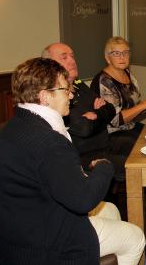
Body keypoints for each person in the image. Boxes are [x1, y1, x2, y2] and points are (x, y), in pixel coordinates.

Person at [0, 58, 145, 265]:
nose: (71, 95)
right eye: (65, 89)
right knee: (135, 237)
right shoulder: (48, 141)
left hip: (17, 231)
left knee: (110, 209)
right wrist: (104, 166)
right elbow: (83, 200)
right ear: (44, 96)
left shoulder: (17, 125)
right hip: (42, 249)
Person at [42, 43, 128, 181]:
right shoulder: (53, 96)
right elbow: (84, 128)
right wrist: (98, 115)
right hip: (83, 156)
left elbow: (110, 109)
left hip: (104, 143)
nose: (72, 61)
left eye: (72, 56)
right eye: (64, 58)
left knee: (140, 147)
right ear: (49, 65)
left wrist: (95, 115)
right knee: (133, 166)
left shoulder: (78, 84)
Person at [91, 36, 146, 142]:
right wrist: (145, 104)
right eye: (116, 53)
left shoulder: (128, 74)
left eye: (125, 52)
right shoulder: (104, 81)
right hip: (111, 135)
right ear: (107, 58)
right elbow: (115, 121)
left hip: (130, 127)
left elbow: (135, 110)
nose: (122, 57)